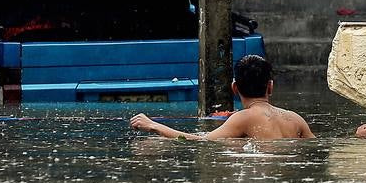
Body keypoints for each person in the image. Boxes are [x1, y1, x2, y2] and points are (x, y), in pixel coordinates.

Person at [131, 55, 314, 140]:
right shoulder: (295, 118)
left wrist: (154, 125)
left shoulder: (242, 119)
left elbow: (201, 142)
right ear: (270, 86)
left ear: (234, 88)